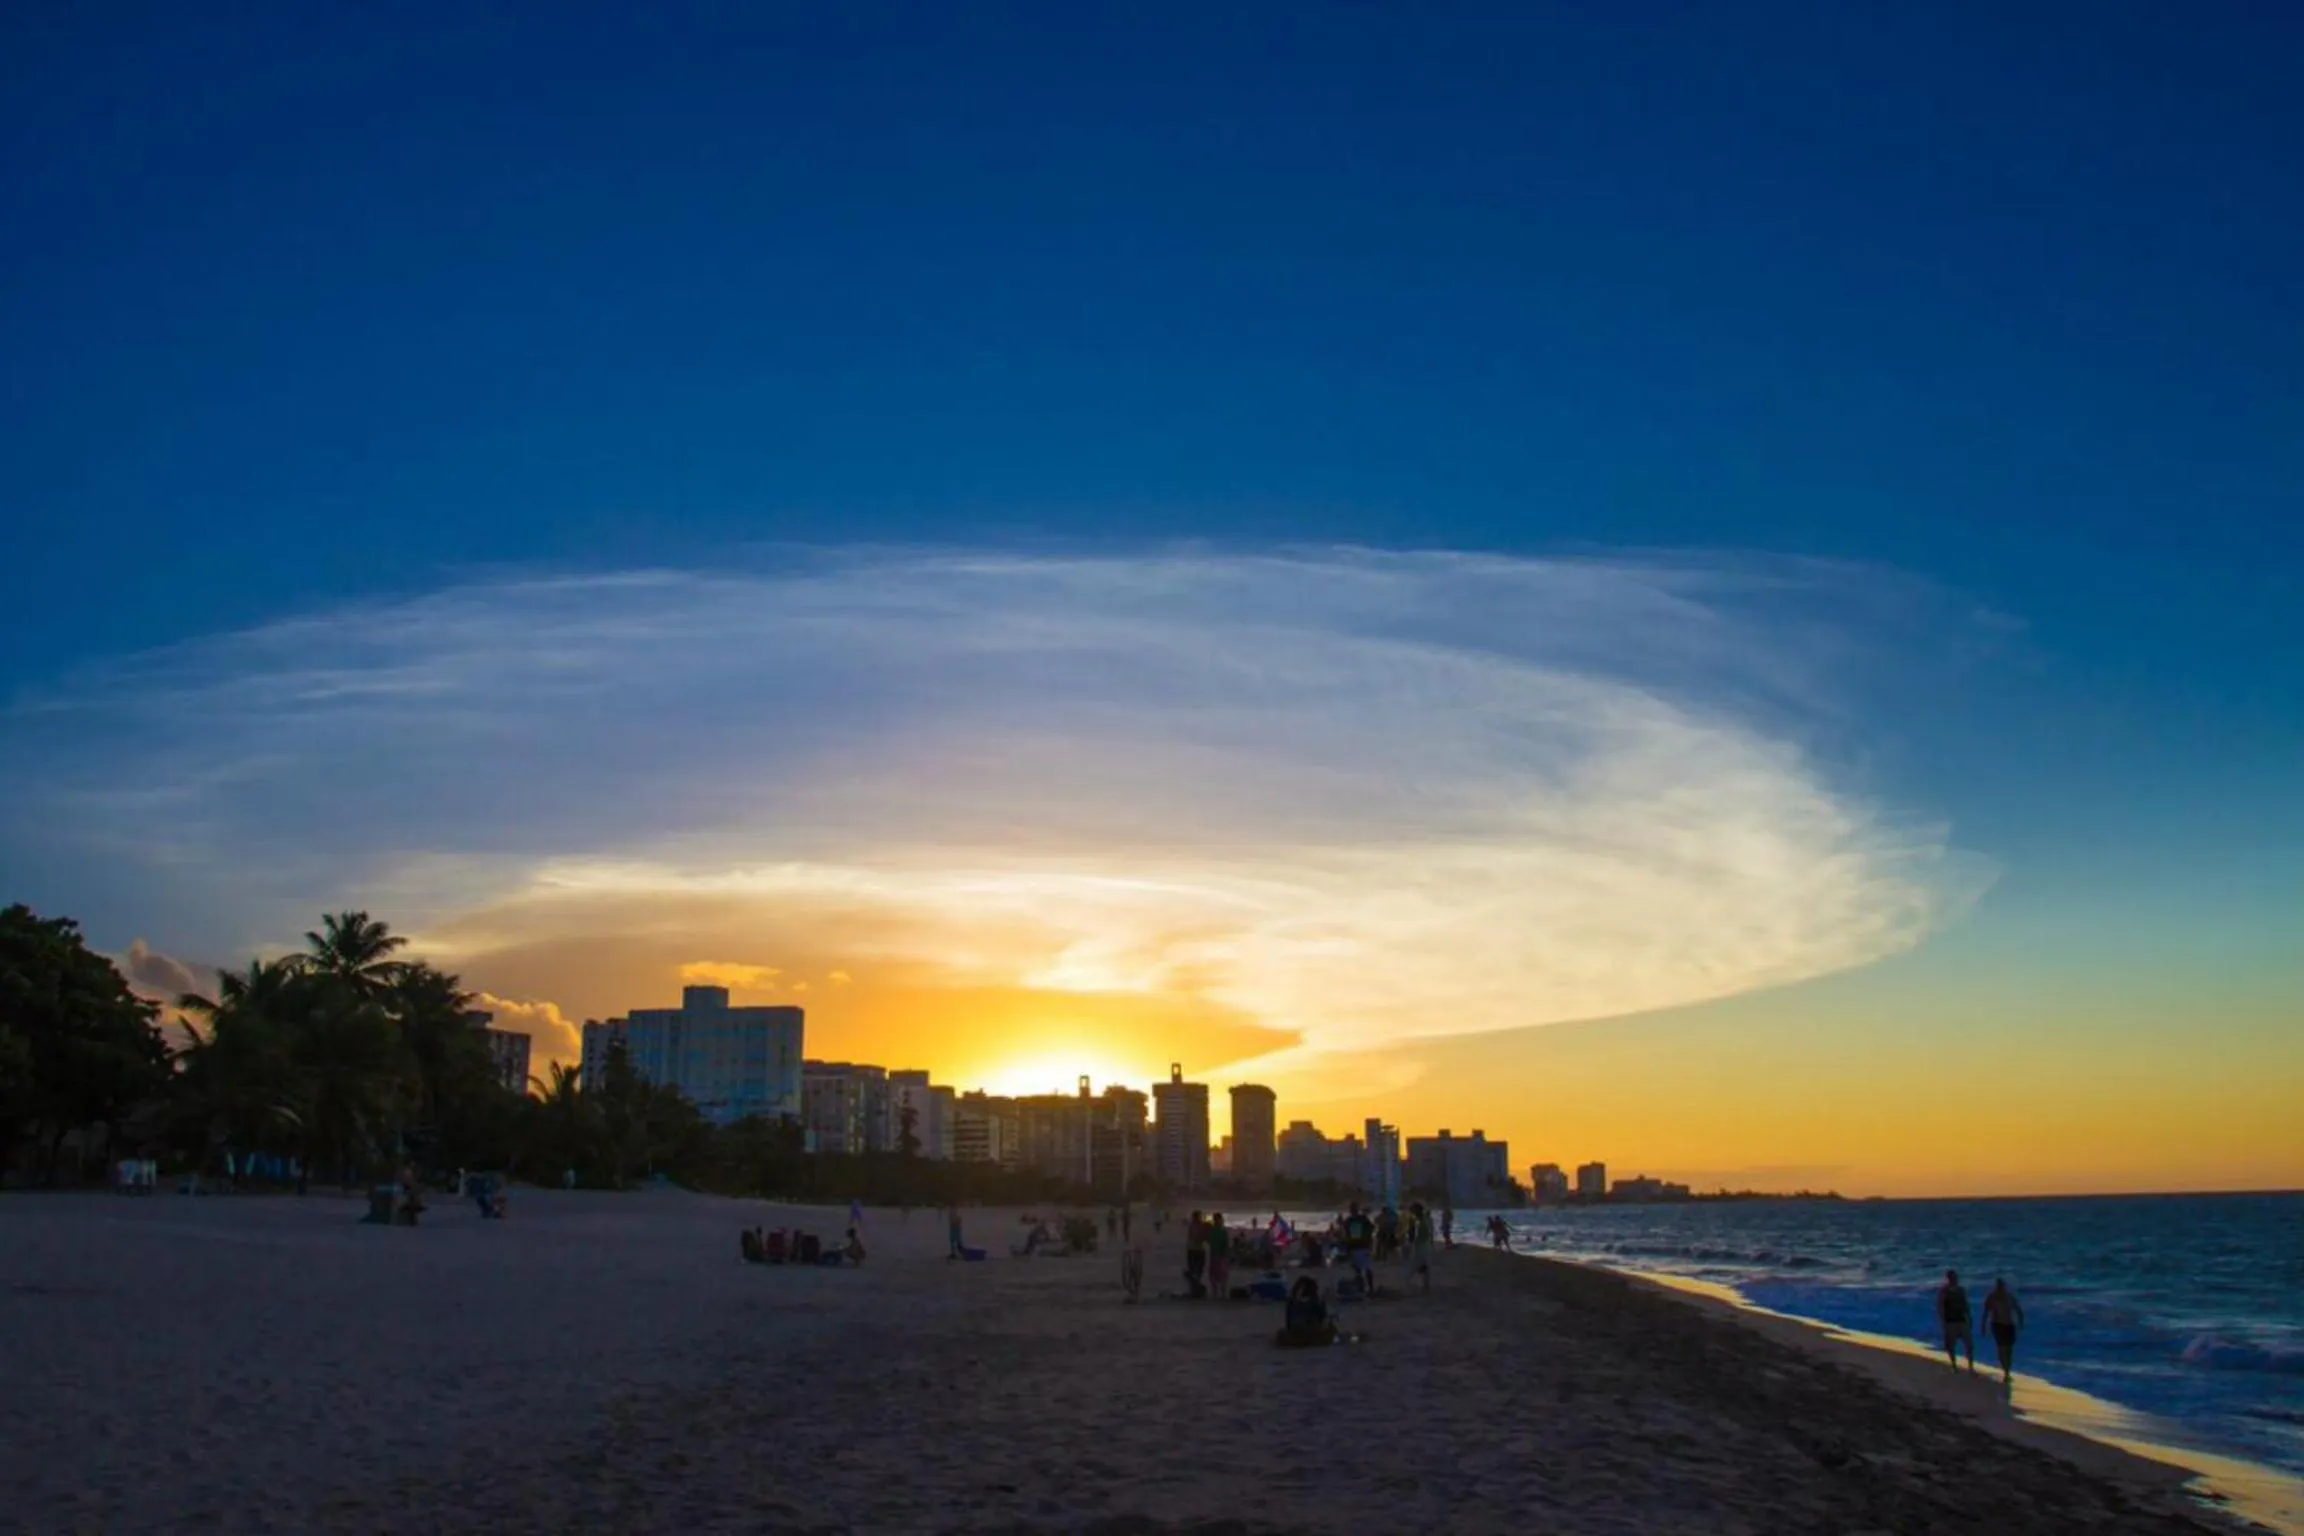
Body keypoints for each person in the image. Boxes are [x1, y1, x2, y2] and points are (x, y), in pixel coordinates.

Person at [1982, 1277, 2026, 1384]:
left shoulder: (2009, 1297)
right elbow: (1986, 1313)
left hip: (2009, 1326)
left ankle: (2007, 1372)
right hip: (1998, 1326)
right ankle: (2005, 1371)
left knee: (2008, 1350)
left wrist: (2021, 1323)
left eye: (2001, 1286)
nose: (2000, 1289)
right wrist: (1983, 1327)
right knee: (2002, 1349)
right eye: (1999, 1286)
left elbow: (2018, 1310)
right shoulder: (1992, 1298)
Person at [1276, 1276, 1337, 1347]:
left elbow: (1288, 1324)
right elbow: (1322, 1320)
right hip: (1308, 1332)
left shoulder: (1293, 1303)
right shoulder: (1313, 1303)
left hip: (1302, 1333)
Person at [1937, 1269, 1975, 1372]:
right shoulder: (1944, 1291)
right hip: (1950, 1321)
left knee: (1969, 1345)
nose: (1955, 1279)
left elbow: (1965, 1305)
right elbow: (1940, 1306)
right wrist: (1943, 1321)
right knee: (1950, 1345)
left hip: (1961, 1320)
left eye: (1956, 1277)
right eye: (1953, 1278)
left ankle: (1971, 1367)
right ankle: (1954, 1365)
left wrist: (1969, 1318)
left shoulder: (1961, 1290)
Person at [1341, 1202, 1377, 1296]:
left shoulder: (1360, 1219)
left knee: (1365, 1268)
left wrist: (1366, 1237)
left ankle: (1369, 1287)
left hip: (1361, 1246)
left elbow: (1372, 1228)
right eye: (1352, 1209)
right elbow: (1345, 1232)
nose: (1352, 1210)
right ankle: (1363, 1287)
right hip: (1355, 1246)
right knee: (1358, 1268)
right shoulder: (1350, 1220)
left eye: (1353, 1209)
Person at [1406, 1202, 1435, 1294]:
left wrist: (1414, 1242)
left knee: (1418, 1264)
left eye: (1413, 1210)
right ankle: (1425, 1285)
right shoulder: (1421, 1219)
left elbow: (1424, 1233)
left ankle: (1423, 1285)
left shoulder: (1422, 1220)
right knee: (1422, 1264)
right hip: (1422, 1244)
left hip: (1422, 1244)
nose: (1412, 1212)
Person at [1206, 1211, 1232, 1298]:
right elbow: (1226, 1244)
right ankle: (1222, 1293)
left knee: (1214, 1276)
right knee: (1222, 1276)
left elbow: (1209, 1241)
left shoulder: (1212, 1231)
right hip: (1221, 1256)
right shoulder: (1221, 1231)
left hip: (1215, 1255)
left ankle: (1215, 1293)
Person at [1184, 1211, 1209, 1298]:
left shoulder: (1195, 1226)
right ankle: (1195, 1290)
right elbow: (1197, 1238)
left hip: (1195, 1250)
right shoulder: (1196, 1226)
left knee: (1195, 1271)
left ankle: (1194, 1290)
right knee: (1196, 1271)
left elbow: (1201, 1238)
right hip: (1196, 1250)